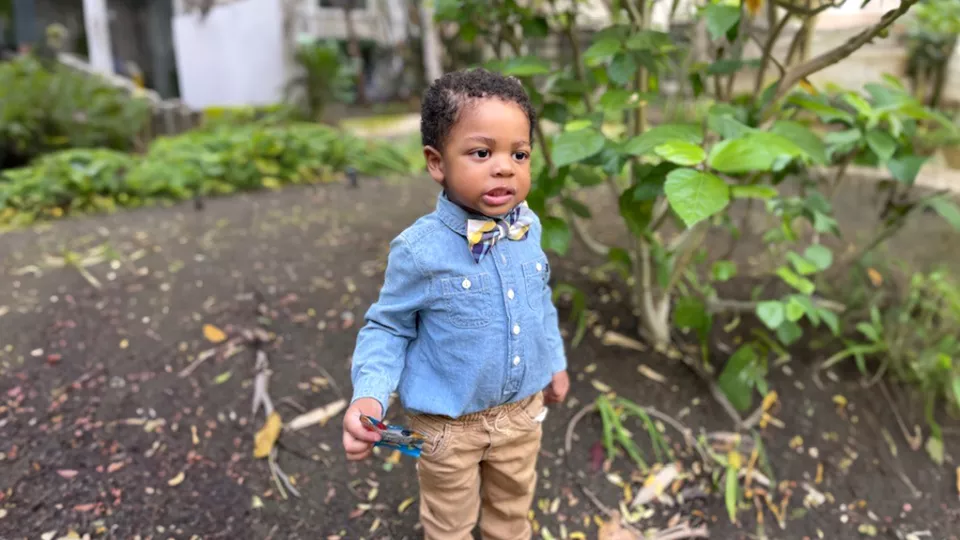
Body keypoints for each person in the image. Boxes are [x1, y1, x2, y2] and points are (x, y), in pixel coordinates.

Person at [342, 68, 570, 539]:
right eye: (481, 152)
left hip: (520, 416)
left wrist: (554, 362)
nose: (505, 166)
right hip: (447, 427)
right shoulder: (420, 250)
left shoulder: (530, 229)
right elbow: (389, 328)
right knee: (449, 523)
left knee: (512, 512)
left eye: (519, 153)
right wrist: (370, 394)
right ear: (437, 162)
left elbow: (539, 302)